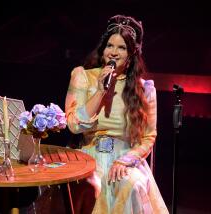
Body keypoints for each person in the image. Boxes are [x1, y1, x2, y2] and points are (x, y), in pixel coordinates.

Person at [65, 14, 169, 213]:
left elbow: (148, 137)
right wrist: (100, 91)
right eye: (110, 46)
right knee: (88, 185)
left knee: (130, 184)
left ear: (131, 55)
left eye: (121, 47)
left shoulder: (144, 89)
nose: (113, 52)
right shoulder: (83, 76)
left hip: (124, 158)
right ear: (102, 49)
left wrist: (126, 160)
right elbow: (74, 125)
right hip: (89, 156)